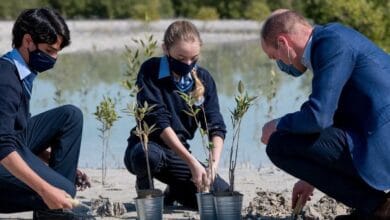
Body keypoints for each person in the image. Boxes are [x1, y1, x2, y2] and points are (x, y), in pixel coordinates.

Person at [260, 9, 390, 219]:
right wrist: (310, 176)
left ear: (283, 43)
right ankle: (374, 208)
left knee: (278, 143)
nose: (280, 64)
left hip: (383, 142)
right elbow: (333, 114)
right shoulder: (331, 39)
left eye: (275, 57)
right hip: (377, 135)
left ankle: (379, 207)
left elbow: (318, 117)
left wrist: (278, 124)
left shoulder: (331, 44)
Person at [124, 20, 229, 209]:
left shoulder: (204, 79)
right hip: (146, 146)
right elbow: (158, 120)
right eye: (181, 58)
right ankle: (146, 191)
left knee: (220, 200)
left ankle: (174, 190)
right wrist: (192, 163)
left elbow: (215, 125)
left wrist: (212, 166)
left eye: (193, 58)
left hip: (177, 154)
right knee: (146, 155)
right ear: (166, 49)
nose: (187, 64)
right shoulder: (150, 70)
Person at [0, 8, 89, 219]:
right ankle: (56, 202)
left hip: (14, 143)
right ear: (28, 41)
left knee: (70, 115)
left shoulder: (19, 70)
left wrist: (53, 159)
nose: (54, 58)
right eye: (49, 50)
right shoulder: (5, 79)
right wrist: (45, 188)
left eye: (57, 51)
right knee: (63, 190)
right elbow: (2, 144)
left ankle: (53, 211)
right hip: (3, 152)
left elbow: (17, 128)